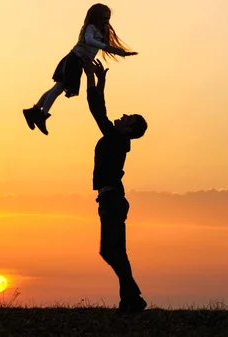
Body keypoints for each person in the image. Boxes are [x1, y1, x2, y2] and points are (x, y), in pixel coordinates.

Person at [83, 58, 148, 314]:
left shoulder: (117, 139)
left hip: (112, 201)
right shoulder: (116, 139)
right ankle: (130, 299)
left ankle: (132, 297)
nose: (121, 117)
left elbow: (97, 110)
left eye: (127, 117)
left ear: (130, 128)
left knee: (111, 251)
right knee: (113, 251)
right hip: (111, 200)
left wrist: (93, 78)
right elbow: (99, 109)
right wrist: (100, 80)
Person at [23, 3, 138, 136]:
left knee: (57, 87)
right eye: (103, 18)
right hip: (74, 60)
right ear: (96, 17)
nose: (106, 21)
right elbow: (89, 41)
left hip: (79, 63)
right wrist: (109, 48)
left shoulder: (101, 32)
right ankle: (41, 115)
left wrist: (121, 53)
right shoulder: (90, 28)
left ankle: (34, 111)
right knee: (59, 88)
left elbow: (105, 45)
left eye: (108, 19)